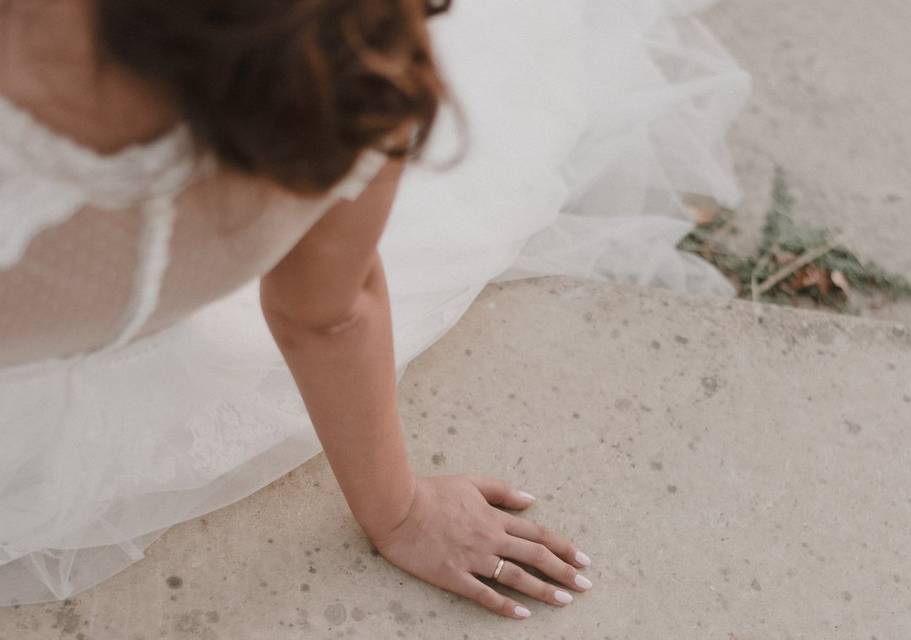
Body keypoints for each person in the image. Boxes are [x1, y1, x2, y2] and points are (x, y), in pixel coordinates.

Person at [0, 0, 749, 617]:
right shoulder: (348, 86)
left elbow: (334, 307)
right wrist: (400, 512)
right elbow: (327, 311)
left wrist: (403, 512)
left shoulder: (340, 89)